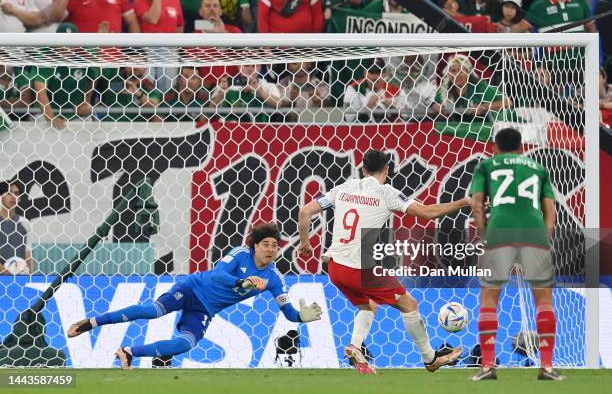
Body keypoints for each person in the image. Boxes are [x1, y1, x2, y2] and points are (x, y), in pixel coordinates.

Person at [297, 150, 469, 374]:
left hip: (334, 268)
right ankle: (430, 359)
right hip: (359, 269)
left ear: (363, 169)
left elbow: (305, 211)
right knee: (409, 305)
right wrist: (465, 201)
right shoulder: (386, 192)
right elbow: (427, 213)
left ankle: (355, 346)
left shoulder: (343, 188)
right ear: (387, 170)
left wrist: (305, 243)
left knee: (368, 305)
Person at [67, 222, 322, 369]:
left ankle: (129, 352)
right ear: (254, 245)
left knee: (186, 344)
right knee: (153, 311)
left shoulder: (274, 280)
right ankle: (91, 322)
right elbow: (217, 275)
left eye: (275, 245)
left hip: (204, 310)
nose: (270, 249)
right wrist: (242, 281)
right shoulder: (240, 254)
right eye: (265, 244)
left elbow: (287, 312)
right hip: (191, 289)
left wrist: (301, 317)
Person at [469, 127, 564, 381]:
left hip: (499, 234)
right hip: (535, 235)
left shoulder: (487, 166)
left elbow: (477, 204)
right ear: (522, 147)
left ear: (495, 147)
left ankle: (488, 366)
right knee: (544, 302)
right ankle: (547, 367)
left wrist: (483, 234)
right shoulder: (538, 168)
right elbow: (550, 209)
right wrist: (546, 238)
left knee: (489, 300)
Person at [431, 54, 513, 124]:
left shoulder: (480, 87)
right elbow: (434, 104)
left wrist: (485, 107)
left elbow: (508, 103)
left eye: (461, 71)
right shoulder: (445, 88)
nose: (456, 75)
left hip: (479, 128)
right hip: (457, 128)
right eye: (453, 71)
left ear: (468, 73)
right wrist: (437, 107)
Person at [48, 0, 140, 33]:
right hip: (81, 59)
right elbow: (54, 18)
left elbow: (132, 22)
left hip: (112, 58)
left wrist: (134, 53)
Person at [210, 64, 281, 122]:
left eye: (254, 66)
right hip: (229, 129)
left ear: (259, 68)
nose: (250, 69)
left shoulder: (268, 86)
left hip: (258, 130)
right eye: (246, 65)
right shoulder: (227, 84)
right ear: (239, 67)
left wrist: (260, 91)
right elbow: (210, 109)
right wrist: (221, 95)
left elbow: (278, 104)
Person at [0, 180, 34, 275]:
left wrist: (30, 276)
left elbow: (28, 254)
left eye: (16, 193)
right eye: (9, 193)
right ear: (1, 196)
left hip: (20, 277)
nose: (13, 197)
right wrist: (10, 276)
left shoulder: (24, 223)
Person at [258, 0, 324, 33]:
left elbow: (317, 14)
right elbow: (262, 17)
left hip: (305, 42)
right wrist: (266, 46)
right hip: (278, 43)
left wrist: (315, 43)